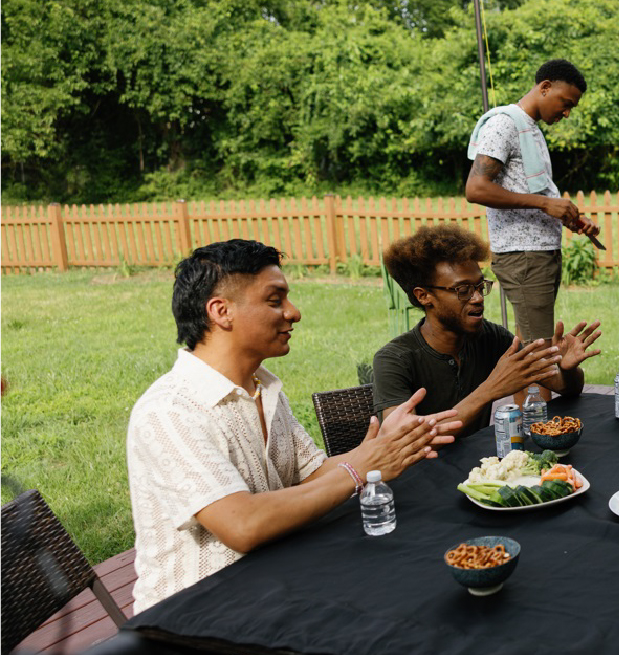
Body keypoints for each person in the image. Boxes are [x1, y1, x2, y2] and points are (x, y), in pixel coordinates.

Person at [127, 240, 460, 613]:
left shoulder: (263, 389)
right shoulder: (171, 411)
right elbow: (243, 525)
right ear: (221, 312)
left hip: (274, 582)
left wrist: (387, 445)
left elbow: (314, 475)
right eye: (275, 300)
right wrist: (359, 468)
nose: (294, 312)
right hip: (197, 613)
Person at [372, 224, 601, 434]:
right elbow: (401, 438)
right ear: (424, 296)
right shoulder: (394, 360)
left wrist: (567, 369)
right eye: (463, 290)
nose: (478, 298)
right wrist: (490, 389)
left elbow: (566, 388)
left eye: (480, 286)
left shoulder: (492, 338)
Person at [465, 58, 600, 364]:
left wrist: (570, 217)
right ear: (545, 87)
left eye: (572, 108)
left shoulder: (531, 129)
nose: (566, 113)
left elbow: (530, 192)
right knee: (537, 354)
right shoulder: (504, 124)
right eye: (564, 103)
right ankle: (537, 413)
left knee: (531, 347)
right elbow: (476, 189)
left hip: (538, 253)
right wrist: (545, 203)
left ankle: (533, 410)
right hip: (523, 256)